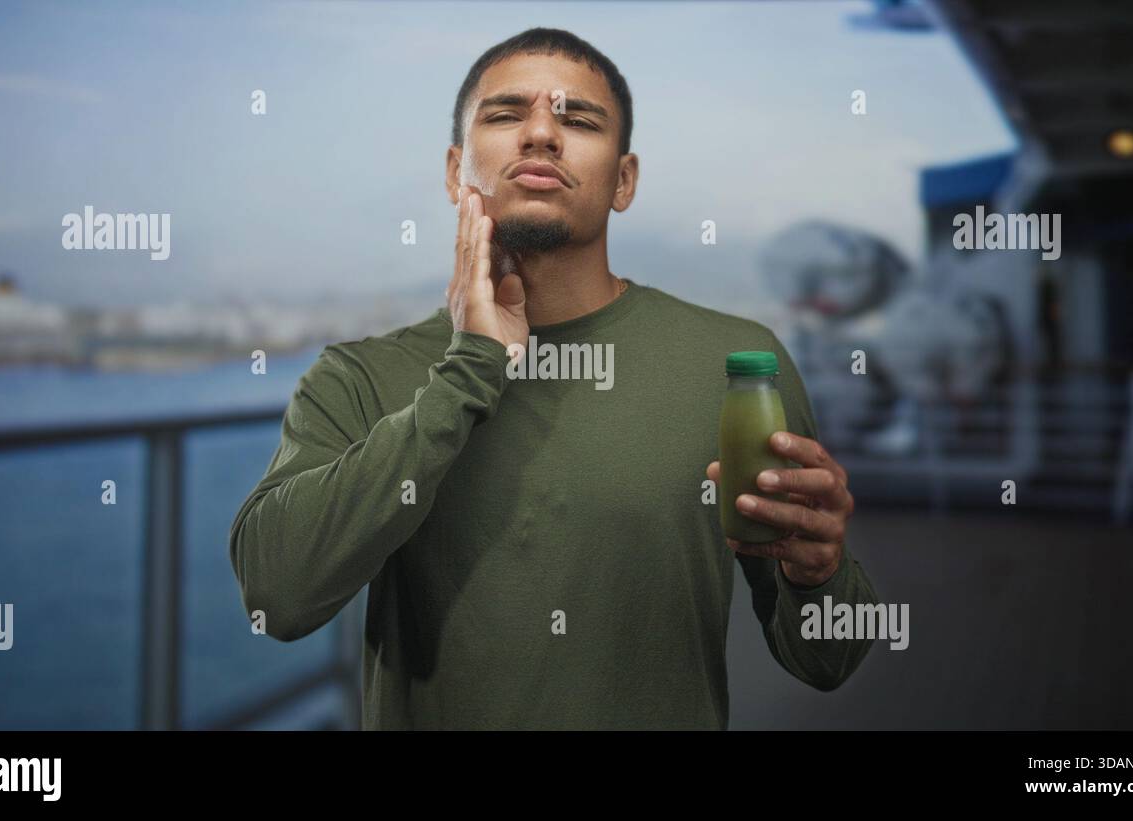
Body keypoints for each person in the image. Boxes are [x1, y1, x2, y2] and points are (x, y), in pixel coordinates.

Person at [229, 27, 879, 730]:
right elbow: (278, 596)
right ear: (456, 171)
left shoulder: (739, 363)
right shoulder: (358, 376)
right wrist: (470, 366)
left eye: (578, 119)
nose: (540, 132)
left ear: (624, 180)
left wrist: (818, 574)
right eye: (506, 114)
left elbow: (829, 660)